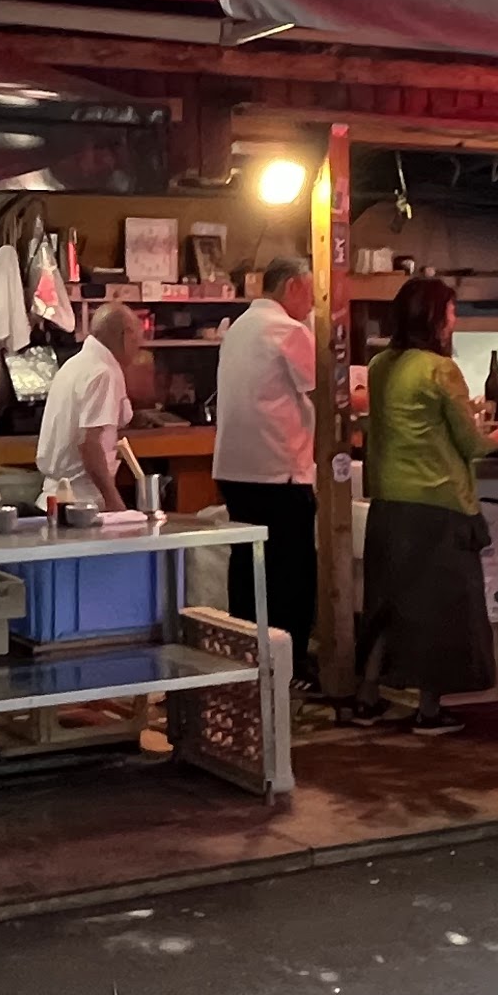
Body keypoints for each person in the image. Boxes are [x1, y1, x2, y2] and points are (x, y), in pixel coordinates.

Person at [350, 274, 492, 731]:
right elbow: (473, 445)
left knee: (387, 604)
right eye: (451, 312)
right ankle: (428, 712)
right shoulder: (439, 369)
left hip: (390, 501)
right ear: (434, 317)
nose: (454, 321)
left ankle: (367, 699)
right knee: (442, 611)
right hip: (439, 501)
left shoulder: (380, 366)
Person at [212, 256, 322, 687]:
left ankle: (246, 657)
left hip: (235, 470)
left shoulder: (239, 326)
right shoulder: (288, 330)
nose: (313, 302)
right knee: (292, 573)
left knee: (247, 567)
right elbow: (325, 387)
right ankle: (288, 668)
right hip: (278, 472)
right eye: (311, 291)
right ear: (293, 286)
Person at [36, 304, 141, 511]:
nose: (139, 346)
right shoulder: (103, 373)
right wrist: (114, 501)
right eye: (138, 338)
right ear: (126, 335)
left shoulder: (76, 364)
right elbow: (89, 444)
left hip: (59, 499)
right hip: (81, 504)